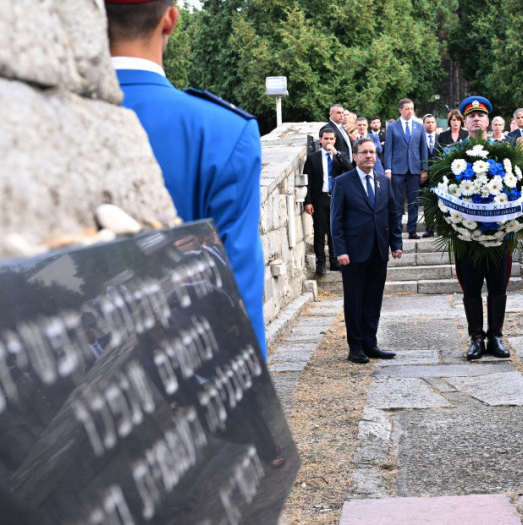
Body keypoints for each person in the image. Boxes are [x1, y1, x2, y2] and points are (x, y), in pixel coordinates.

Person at [105, 0, 267, 355]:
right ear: (170, 20)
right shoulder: (224, 130)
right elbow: (239, 280)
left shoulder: (31, 122)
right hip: (191, 356)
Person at [450, 96, 514, 361]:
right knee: (471, 288)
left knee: (498, 287)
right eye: (471, 116)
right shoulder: (454, 154)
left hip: (499, 234)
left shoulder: (505, 152)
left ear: (489, 121)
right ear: (465, 122)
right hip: (467, 236)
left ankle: (495, 337)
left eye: (481, 115)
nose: (476, 119)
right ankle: (476, 338)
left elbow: (519, 187)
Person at [330, 137, 403, 364]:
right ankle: (355, 347)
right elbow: (336, 220)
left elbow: (392, 214)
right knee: (354, 301)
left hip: (378, 250)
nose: (369, 156)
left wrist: (396, 243)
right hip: (352, 253)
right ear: (355, 156)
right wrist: (340, 250)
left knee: (373, 300)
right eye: (364, 152)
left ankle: (370, 344)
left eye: (372, 152)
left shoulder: (383, 181)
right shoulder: (343, 182)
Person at [304, 129, 352, 275]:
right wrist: (308, 202)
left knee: (335, 231)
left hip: (336, 198)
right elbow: (308, 181)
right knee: (319, 231)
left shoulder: (339, 156)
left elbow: (349, 169)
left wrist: (336, 153)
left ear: (335, 140)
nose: (329, 142)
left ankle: (334, 261)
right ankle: (321, 264)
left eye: (331, 139)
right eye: (326, 139)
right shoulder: (313, 158)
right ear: (320, 139)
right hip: (320, 197)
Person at [384, 98, 430, 239]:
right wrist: (388, 170)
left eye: (412, 108)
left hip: (415, 170)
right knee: (397, 202)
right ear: (400, 110)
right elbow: (388, 150)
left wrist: (424, 169)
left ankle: (412, 230)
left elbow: (423, 149)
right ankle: (397, 230)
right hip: (397, 169)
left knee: (414, 201)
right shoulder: (392, 127)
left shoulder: (419, 126)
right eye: (407, 109)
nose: (410, 111)